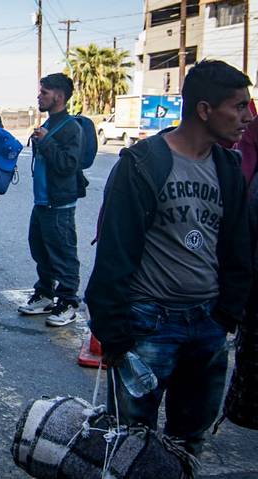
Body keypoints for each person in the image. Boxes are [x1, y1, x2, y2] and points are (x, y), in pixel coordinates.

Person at [85, 60, 253, 456]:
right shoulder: (143, 163)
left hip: (207, 325)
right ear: (205, 110)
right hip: (148, 327)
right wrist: (114, 333)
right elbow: (113, 251)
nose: (248, 117)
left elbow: (237, 248)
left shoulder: (228, 168)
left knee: (188, 442)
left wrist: (225, 315)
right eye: (239, 106)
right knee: (129, 445)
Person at [17, 73, 85, 327]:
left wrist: (46, 142)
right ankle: (45, 294)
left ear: (58, 96)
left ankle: (68, 301)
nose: (39, 96)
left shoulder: (71, 128)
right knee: (40, 249)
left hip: (59, 203)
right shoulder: (51, 124)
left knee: (63, 253)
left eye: (44, 92)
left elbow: (68, 165)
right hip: (42, 201)